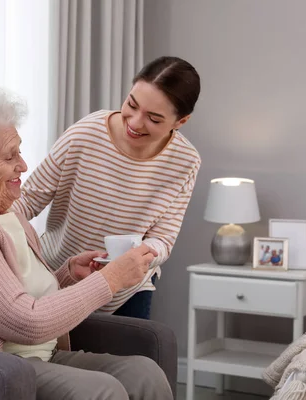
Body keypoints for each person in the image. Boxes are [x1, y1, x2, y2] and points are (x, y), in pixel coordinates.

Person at [0, 88, 173, 400]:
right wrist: (109, 280)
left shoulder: (9, 215)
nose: (23, 165)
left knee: (144, 373)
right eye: (9, 156)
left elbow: (10, 297)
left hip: (33, 355)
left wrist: (68, 275)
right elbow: (24, 321)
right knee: (101, 390)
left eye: (19, 151)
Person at [12, 56, 202, 319]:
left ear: (180, 122)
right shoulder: (87, 133)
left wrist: (134, 259)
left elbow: (163, 239)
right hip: (58, 276)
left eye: (154, 119)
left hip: (127, 290)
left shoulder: (185, 161)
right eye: (131, 105)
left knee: (131, 359)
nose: (135, 122)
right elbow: (27, 200)